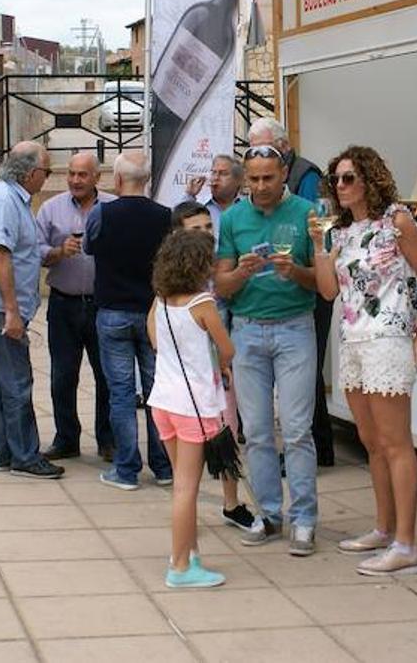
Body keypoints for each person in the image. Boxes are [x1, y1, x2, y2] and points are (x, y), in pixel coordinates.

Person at [310, 146, 417, 576]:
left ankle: (407, 543)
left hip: (387, 340)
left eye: (349, 178)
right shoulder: (343, 232)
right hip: (352, 342)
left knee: (395, 442)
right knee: (370, 440)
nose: (341, 186)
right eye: (336, 180)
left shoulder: (396, 221)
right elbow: (328, 291)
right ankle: (385, 528)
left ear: (369, 178)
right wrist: (317, 244)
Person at [215, 144, 320, 555]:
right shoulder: (234, 218)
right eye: (253, 179)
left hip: (295, 328)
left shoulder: (306, 213)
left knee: (296, 430)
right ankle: (271, 514)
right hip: (248, 331)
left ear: (283, 176)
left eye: (268, 178)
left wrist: (296, 272)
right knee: (257, 432)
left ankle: (305, 518)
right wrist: (239, 272)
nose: (260, 186)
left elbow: (323, 281)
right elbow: (220, 286)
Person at [0, 141, 64, 480]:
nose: (46, 179)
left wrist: (57, 254)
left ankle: (5, 451)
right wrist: (12, 312)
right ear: (32, 172)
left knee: (0, 380)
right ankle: (24, 456)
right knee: (18, 381)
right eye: (46, 172)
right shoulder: (4, 200)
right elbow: (0, 255)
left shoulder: (10, 197)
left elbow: (23, 253)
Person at [147, 228, 237, 589]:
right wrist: (219, 363)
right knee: (186, 489)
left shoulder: (160, 300)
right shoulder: (203, 304)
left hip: (162, 401)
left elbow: (152, 335)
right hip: (194, 406)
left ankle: (189, 552)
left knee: (180, 484)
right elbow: (226, 349)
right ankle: (181, 566)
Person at [248, 117, 337, 467]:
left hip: (309, 287)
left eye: (264, 148)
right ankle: (318, 447)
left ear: (283, 148)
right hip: (284, 286)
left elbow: (314, 227)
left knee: (307, 373)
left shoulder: (307, 177)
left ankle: (315, 448)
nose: (259, 156)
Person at [85, 151, 174, 490]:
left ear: (118, 180)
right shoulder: (165, 216)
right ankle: (164, 466)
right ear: (147, 180)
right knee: (156, 392)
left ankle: (126, 469)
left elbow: (89, 249)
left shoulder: (102, 213)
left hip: (112, 312)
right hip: (153, 314)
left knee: (121, 394)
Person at [172, 201, 260, 534]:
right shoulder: (174, 277)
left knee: (226, 430)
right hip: (187, 373)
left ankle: (231, 501)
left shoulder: (219, 264)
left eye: (209, 227)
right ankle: (185, 506)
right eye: (196, 229)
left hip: (219, 368)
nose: (206, 234)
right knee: (188, 443)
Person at [34, 151, 116, 462]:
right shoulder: (50, 209)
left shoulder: (111, 207)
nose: (75, 180)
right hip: (63, 304)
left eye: (82, 174)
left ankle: (108, 440)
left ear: (97, 177)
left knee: (106, 375)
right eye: (71, 173)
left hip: (102, 305)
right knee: (62, 375)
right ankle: (66, 438)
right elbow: (36, 251)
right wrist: (58, 251)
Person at [184, 153, 244, 234]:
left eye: (223, 173)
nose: (216, 178)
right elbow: (177, 224)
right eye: (213, 172)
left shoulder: (249, 208)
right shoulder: (199, 205)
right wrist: (189, 195)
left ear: (238, 180)